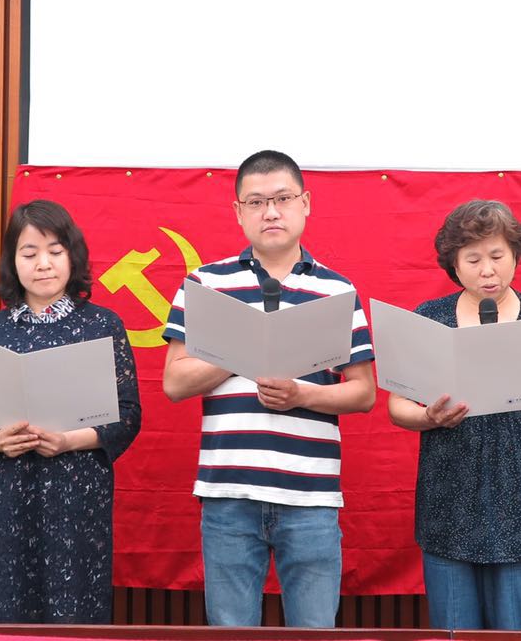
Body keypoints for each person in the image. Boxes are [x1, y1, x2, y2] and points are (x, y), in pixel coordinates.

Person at [160, 150, 376, 628]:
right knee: (231, 632)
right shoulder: (205, 284)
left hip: (312, 496)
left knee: (315, 633)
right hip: (228, 491)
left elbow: (363, 393)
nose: (271, 212)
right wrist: (241, 348)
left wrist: (303, 395)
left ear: (305, 203)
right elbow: (174, 382)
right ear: (238, 212)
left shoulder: (337, 291)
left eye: (282, 199)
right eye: (256, 202)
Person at [386, 199, 521, 631]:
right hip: (448, 509)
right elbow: (398, 407)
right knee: (453, 634)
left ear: (515, 255)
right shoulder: (430, 318)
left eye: (497, 256)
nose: (487, 270)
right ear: (454, 265)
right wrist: (429, 418)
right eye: (473, 259)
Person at [0, 199, 141, 624]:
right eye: (29, 253)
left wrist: (69, 440)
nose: (43, 264)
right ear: (12, 261)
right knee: (7, 610)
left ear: (72, 256)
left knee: (76, 612)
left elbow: (127, 416)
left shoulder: (102, 325)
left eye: (55, 251)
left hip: (78, 494)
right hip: (6, 494)